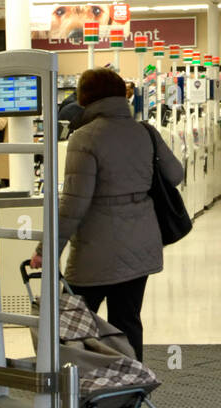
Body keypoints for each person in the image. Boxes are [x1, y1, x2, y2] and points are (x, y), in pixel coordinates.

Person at [31, 67, 184, 361]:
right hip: (142, 244)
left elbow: (74, 205)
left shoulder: (83, 138)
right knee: (127, 321)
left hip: (96, 250)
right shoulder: (146, 132)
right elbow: (175, 174)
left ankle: (86, 384)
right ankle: (132, 393)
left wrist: (46, 250)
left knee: (74, 322)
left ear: (84, 97)